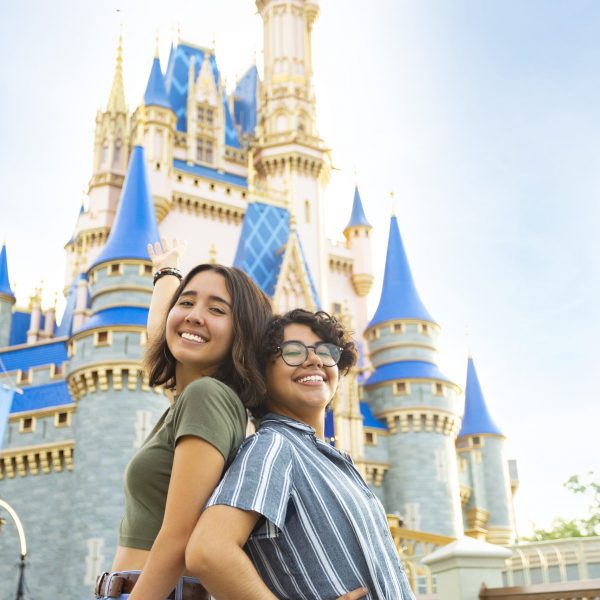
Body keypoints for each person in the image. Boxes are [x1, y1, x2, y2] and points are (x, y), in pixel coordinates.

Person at [185, 309, 416, 600]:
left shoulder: (328, 459)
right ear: (261, 372)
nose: (315, 359)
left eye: (325, 351)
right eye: (293, 351)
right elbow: (209, 552)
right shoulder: (274, 446)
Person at [95, 240, 272, 600]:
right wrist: (166, 273)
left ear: (243, 332)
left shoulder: (208, 397)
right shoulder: (192, 399)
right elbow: (163, 333)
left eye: (217, 309)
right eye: (187, 302)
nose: (193, 315)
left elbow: (179, 536)